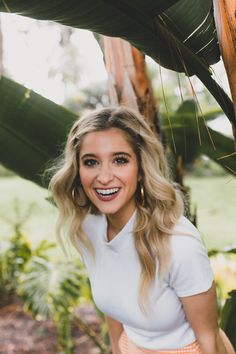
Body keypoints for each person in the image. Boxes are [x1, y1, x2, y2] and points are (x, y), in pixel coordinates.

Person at [49, 106, 234, 354]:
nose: (104, 177)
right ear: (78, 169)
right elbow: (114, 310)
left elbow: (208, 337)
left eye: (120, 160)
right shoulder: (87, 229)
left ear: (140, 169)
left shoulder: (179, 243)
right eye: (91, 162)